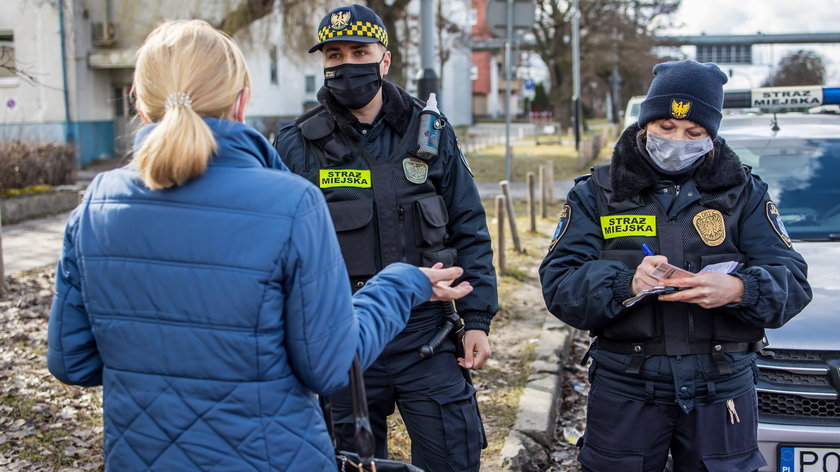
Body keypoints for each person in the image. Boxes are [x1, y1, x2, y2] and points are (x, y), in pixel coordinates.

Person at [46, 19, 474, 472]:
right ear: (242, 99)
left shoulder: (96, 205)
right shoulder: (290, 203)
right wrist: (400, 284)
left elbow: (72, 360)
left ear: (138, 100)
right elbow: (329, 365)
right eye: (334, 56)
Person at [540, 60, 812, 472]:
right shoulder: (596, 192)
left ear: (711, 135)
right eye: (666, 127)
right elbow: (559, 283)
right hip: (625, 384)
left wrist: (741, 290)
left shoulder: (744, 193)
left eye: (694, 132)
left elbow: (793, 280)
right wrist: (624, 284)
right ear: (645, 123)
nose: (677, 140)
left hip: (722, 389)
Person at [273, 4, 498, 471]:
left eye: (359, 51)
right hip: (343, 337)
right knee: (346, 462)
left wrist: (476, 319)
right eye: (334, 55)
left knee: (453, 459)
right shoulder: (296, 144)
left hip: (428, 335)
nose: (345, 64)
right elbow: (278, 249)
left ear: (385, 60)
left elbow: (469, 227)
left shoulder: (431, 134)